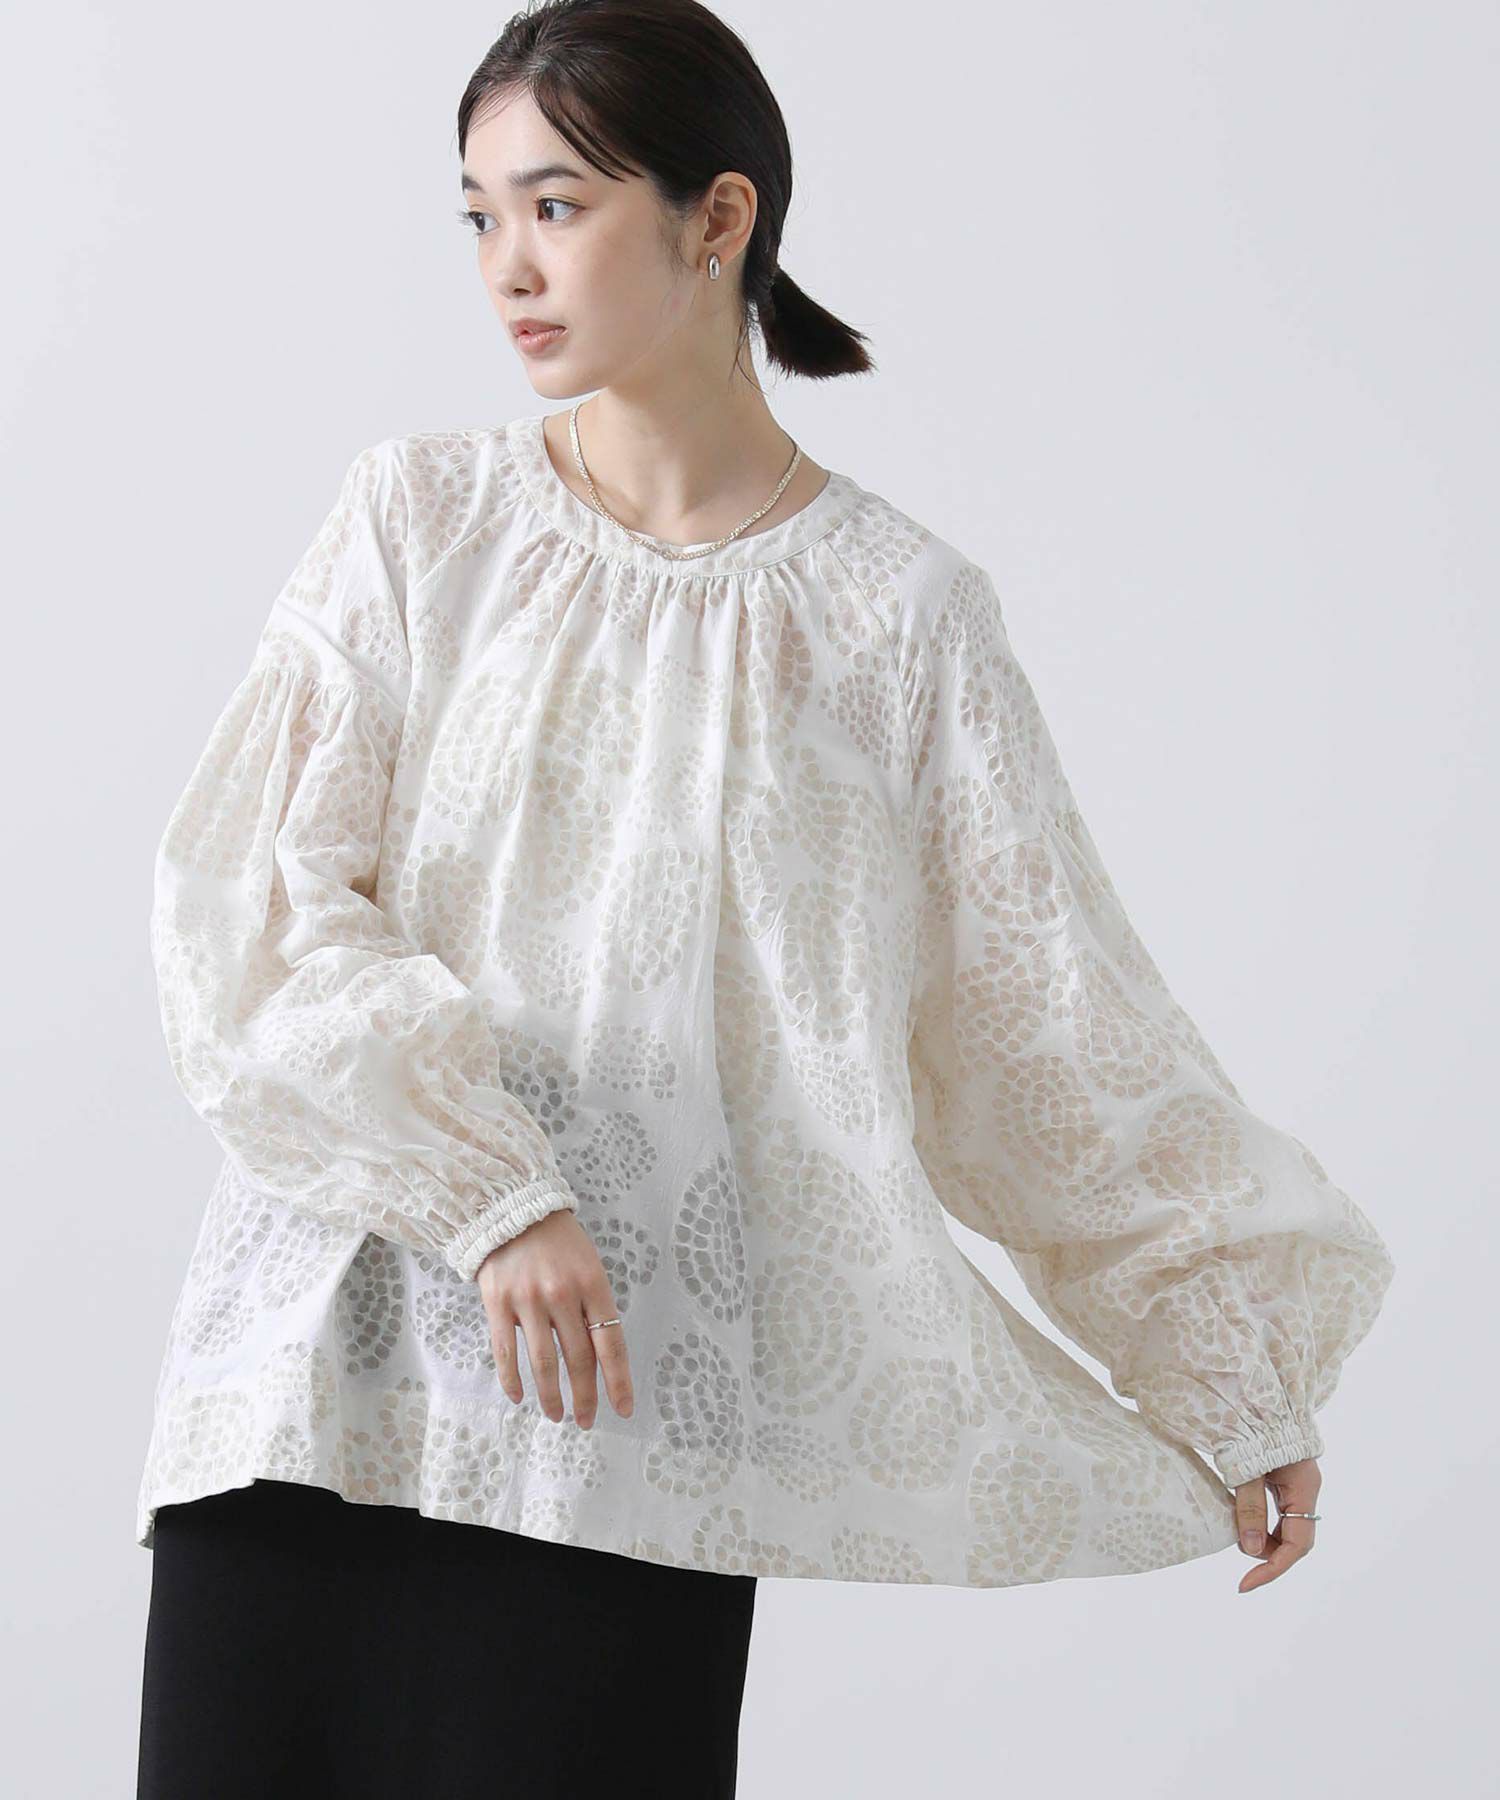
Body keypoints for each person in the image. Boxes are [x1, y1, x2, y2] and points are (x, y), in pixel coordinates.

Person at [135, 0, 1397, 1794]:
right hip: (318, 1393)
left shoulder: (898, 620)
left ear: (717, 217)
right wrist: (492, 1194)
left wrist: (1225, 1372)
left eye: (557, 205)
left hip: (631, 1436)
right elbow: (255, 905)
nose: (508, 266)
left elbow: (1043, 1028)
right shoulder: (417, 521)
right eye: (480, 215)